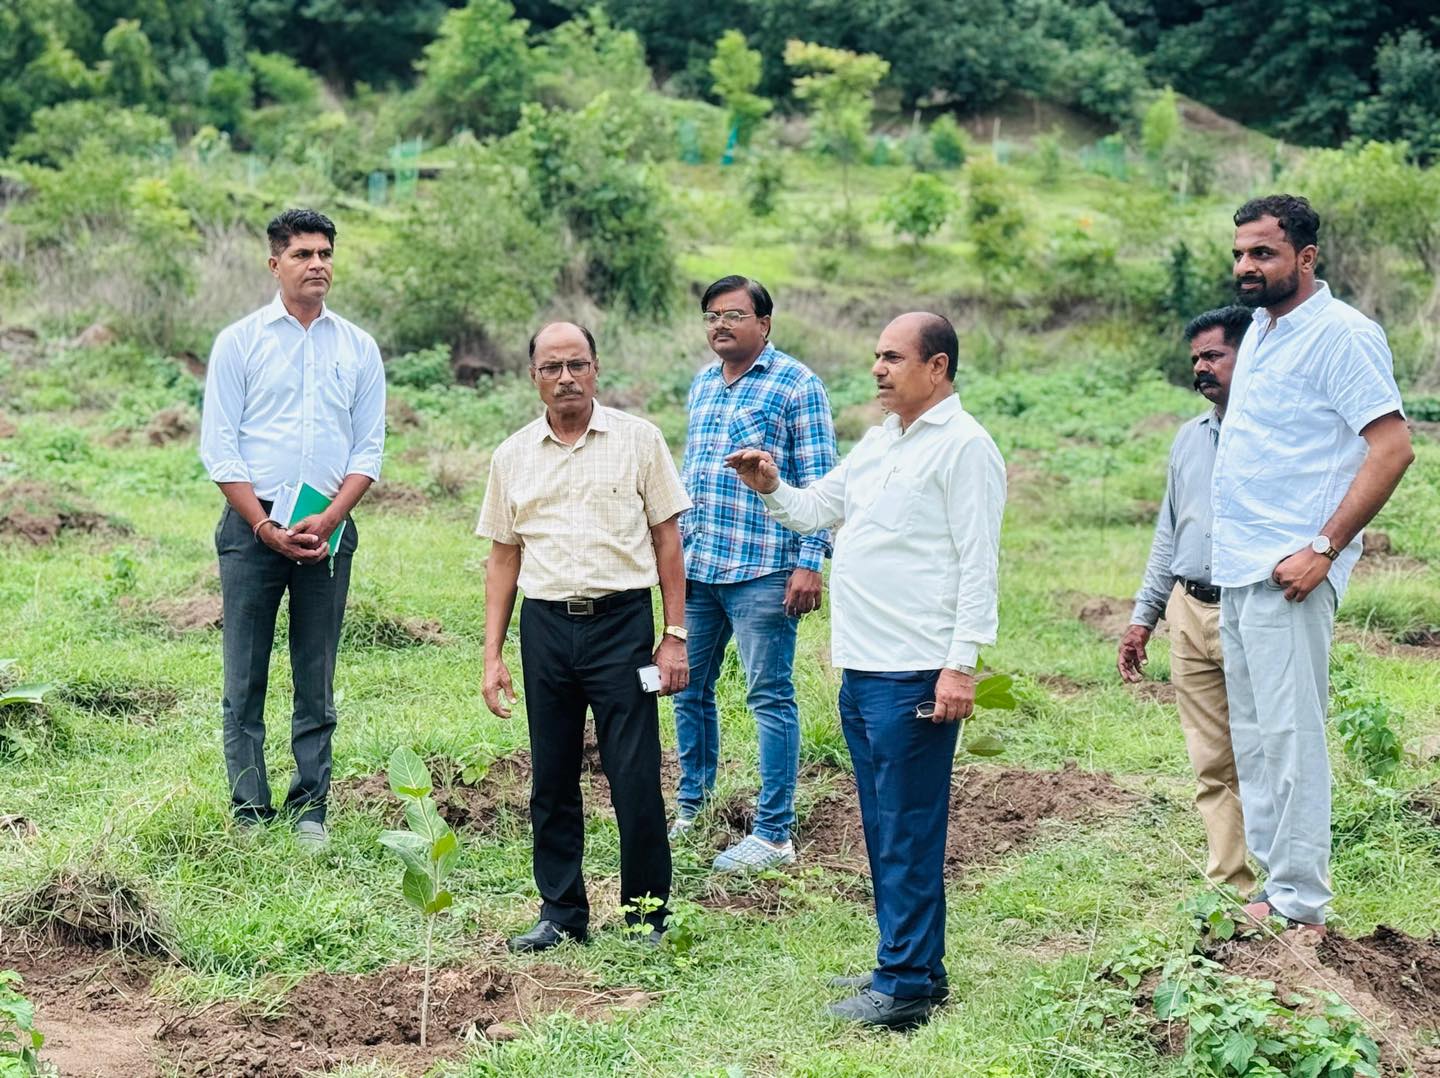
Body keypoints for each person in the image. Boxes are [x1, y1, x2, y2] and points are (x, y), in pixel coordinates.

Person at [727, 313, 1005, 1029]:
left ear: (936, 367)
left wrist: (961, 667)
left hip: (916, 671)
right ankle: (912, 962)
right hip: (863, 666)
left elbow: (979, 562)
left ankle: (905, 983)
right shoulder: (883, 441)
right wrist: (770, 485)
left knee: (909, 827)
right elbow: (818, 508)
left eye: (893, 358)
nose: (878, 369)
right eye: (875, 357)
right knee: (884, 825)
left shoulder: (965, 448)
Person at [1216, 194, 1413, 934]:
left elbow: (1392, 447)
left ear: (1306, 257)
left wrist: (1324, 548)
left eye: (1262, 253)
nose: (1246, 266)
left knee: (1292, 735)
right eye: (1239, 253)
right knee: (1257, 738)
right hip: (1240, 567)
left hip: (1291, 571)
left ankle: (1302, 902)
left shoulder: (1342, 335)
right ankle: (1275, 886)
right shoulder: (1263, 331)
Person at [477, 322, 691, 952]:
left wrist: (674, 633)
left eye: (577, 364)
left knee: (633, 775)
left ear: (596, 369)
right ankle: (562, 912)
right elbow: (503, 559)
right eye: (551, 367)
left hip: (622, 625)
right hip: (544, 628)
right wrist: (491, 655)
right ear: (533, 377)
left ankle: (646, 914)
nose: (565, 377)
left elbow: (667, 541)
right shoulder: (511, 456)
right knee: (551, 774)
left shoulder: (639, 441)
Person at [199, 208, 386, 850]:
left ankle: (311, 808)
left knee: (316, 672)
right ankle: (250, 809)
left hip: (328, 531)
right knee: (244, 675)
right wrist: (264, 525)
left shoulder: (357, 347)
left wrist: (332, 517)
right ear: (274, 263)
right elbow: (220, 450)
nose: (317, 265)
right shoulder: (241, 342)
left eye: (325, 253)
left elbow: (369, 449)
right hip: (253, 533)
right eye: (303, 254)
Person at [672, 275, 838, 872]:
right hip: (700, 564)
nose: (721, 324)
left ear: (764, 325)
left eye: (734, 315)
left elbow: (821, 480)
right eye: (712, 314)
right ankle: (693, 804)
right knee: (688, 688)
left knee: (768, 696)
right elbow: (692, 474)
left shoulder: (797, 385)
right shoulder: (702, 385)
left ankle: (773, 833)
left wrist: (809, 562)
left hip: (766, 568)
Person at [1119, 306, 1254, 895]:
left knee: (1265, 751)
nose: (1201, 368)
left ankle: (1290, 889)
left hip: (1253, 607)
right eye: (1195, 358)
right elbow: (1169, 532)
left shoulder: (1271, 433)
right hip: (1188, 608)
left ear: (1247, 356)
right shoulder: (1188, 438)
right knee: (1211, 760)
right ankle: (1231, 885)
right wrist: (1143, 616)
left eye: (1213, 356)